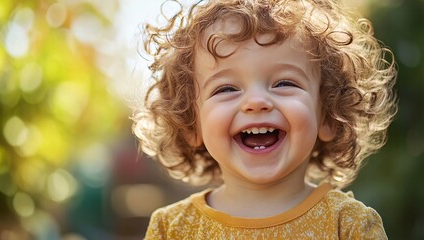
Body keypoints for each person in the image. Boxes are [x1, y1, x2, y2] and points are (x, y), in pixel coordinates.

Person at [133, 0, 397, 238]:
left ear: (328, 115)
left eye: (284, 83)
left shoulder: (348, 225)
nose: (256, 102)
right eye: (226, 89)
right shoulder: (173, 229)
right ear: (192, 123)